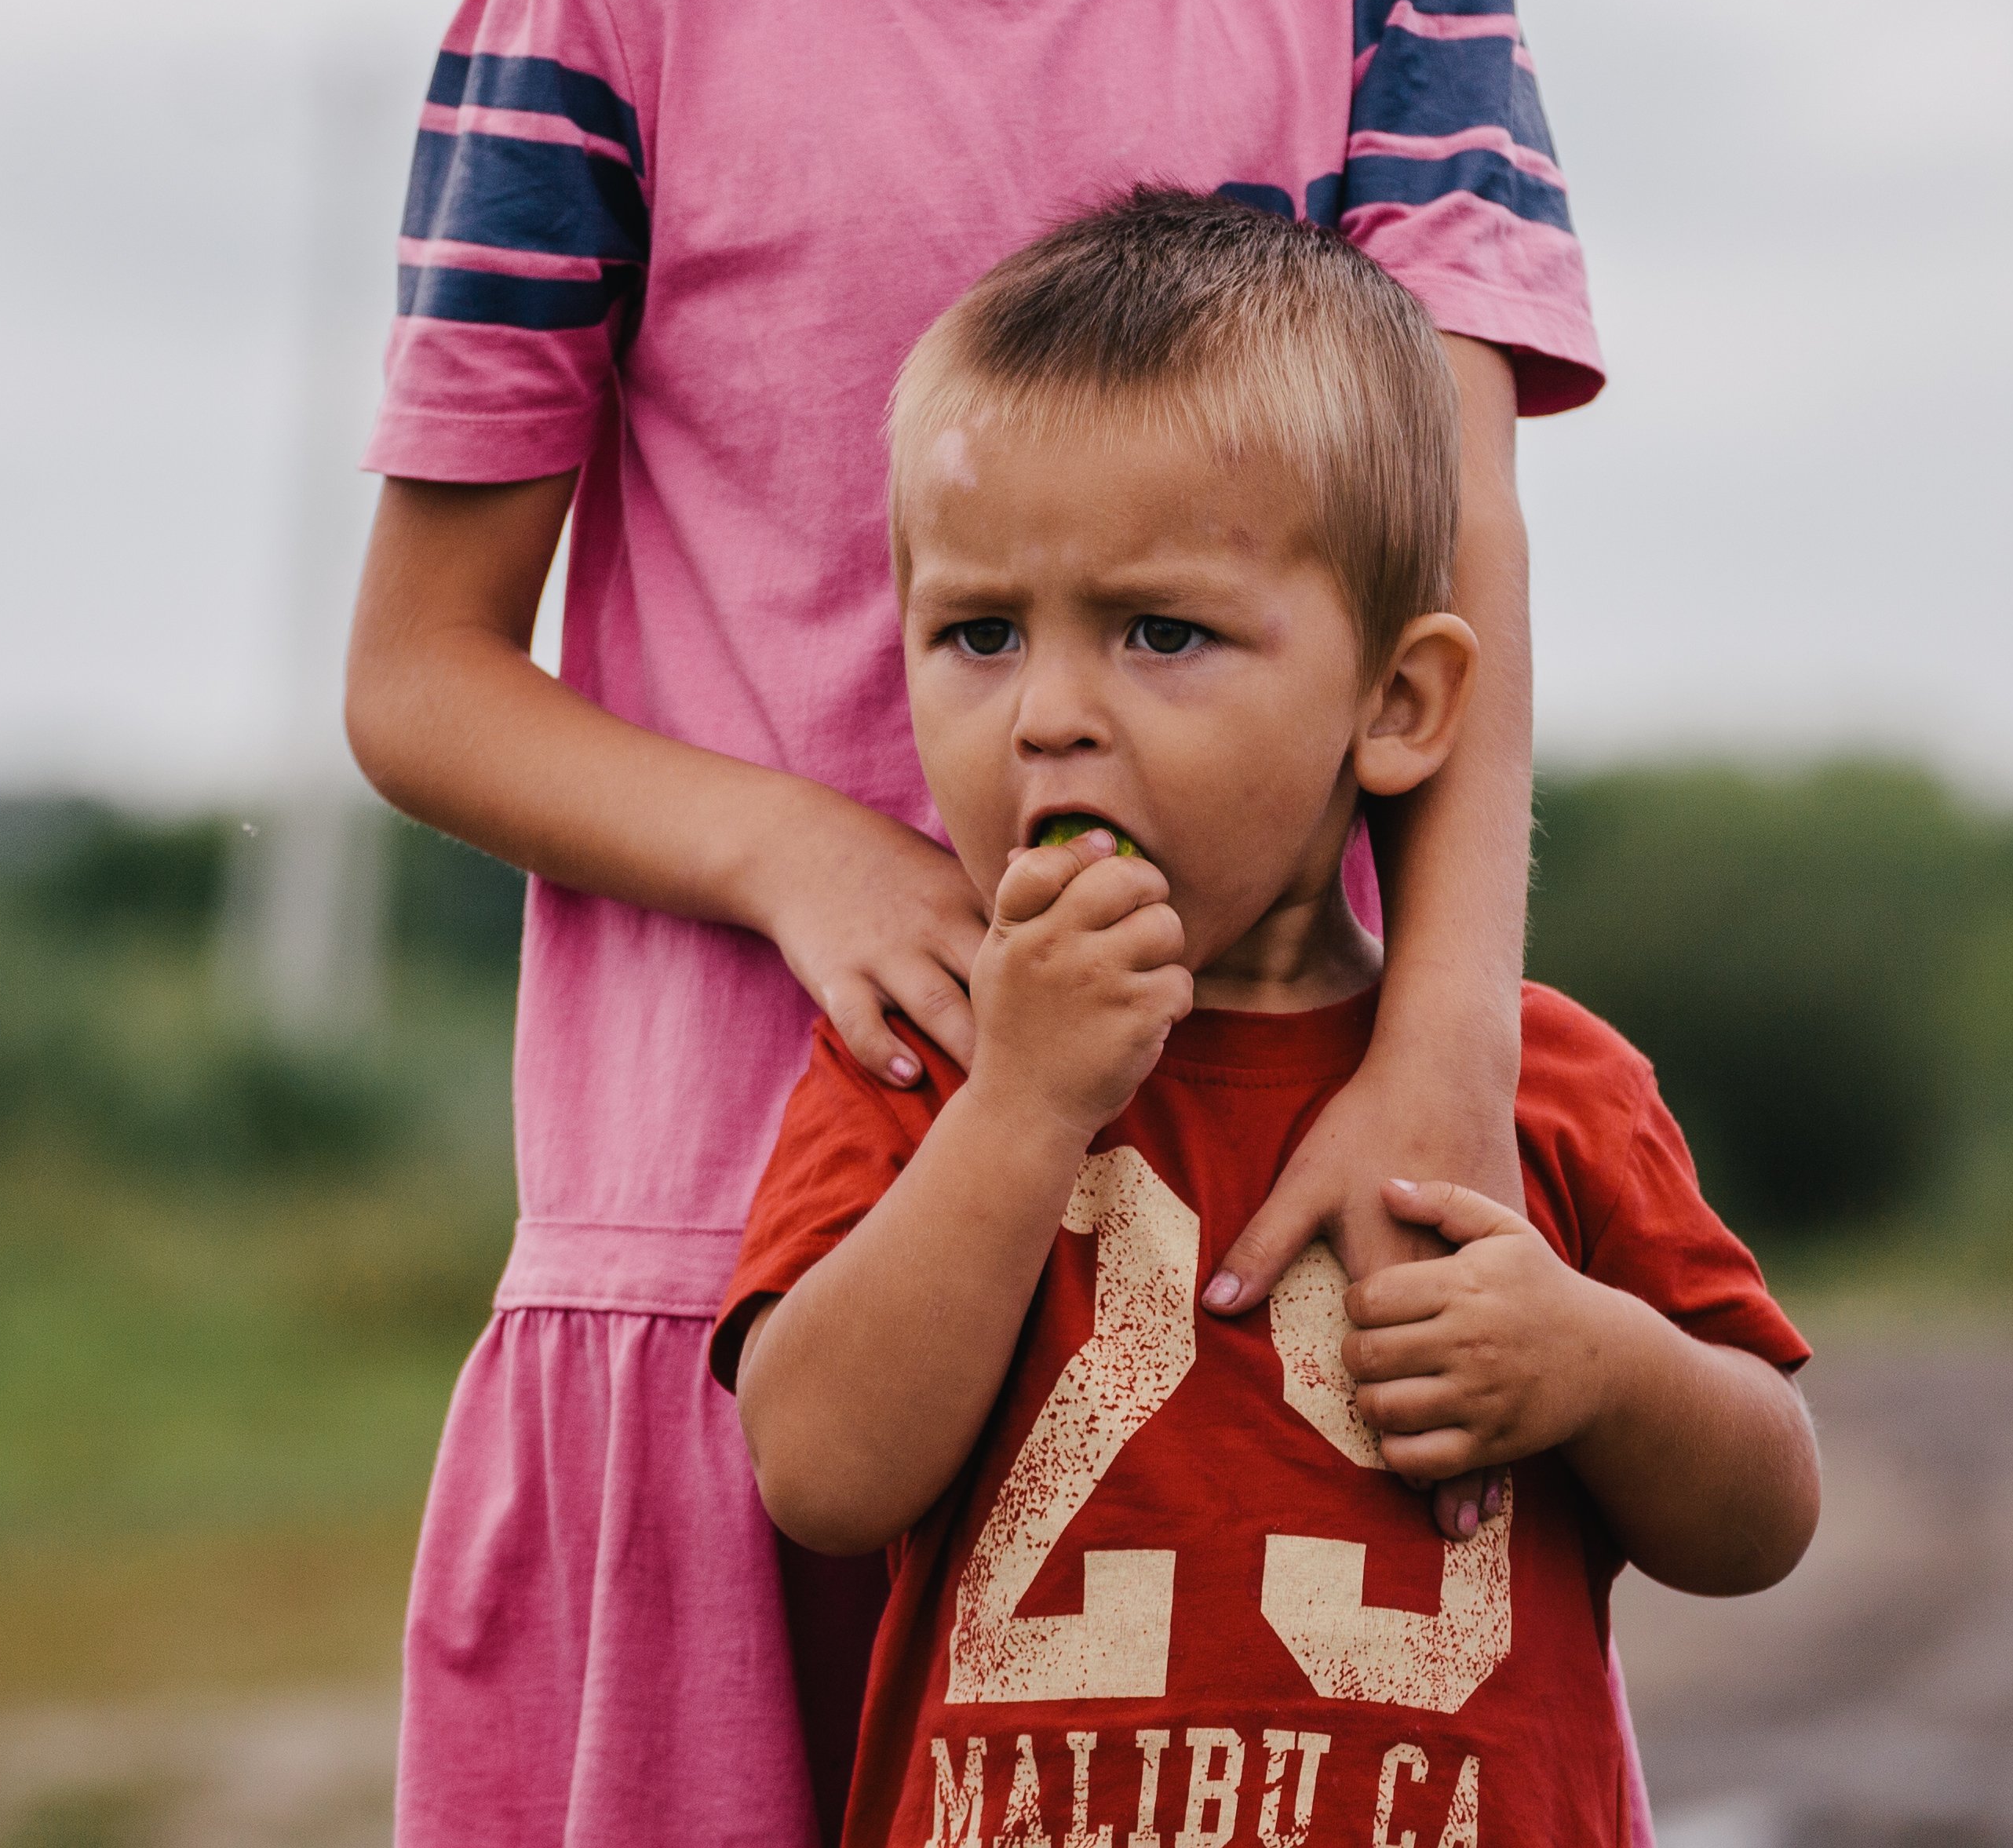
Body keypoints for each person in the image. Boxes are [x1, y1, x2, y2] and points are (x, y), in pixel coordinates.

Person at [345, 0, 1606, 1844]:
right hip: (716, 1266)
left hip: (1242, 1231)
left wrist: (1443, 1063)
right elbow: (424, 682)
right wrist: (802, 851)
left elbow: (1462, 574)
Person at [719, 193, 1818, 1847]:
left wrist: (1598, 1367)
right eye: (980, 634)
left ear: (1396, 705)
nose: (1052, 720)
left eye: (1162, 632)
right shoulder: (933, 1052)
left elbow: (1764, 1515)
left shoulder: (1535, 1086)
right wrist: (1021, 1110)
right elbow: (816, 1472)